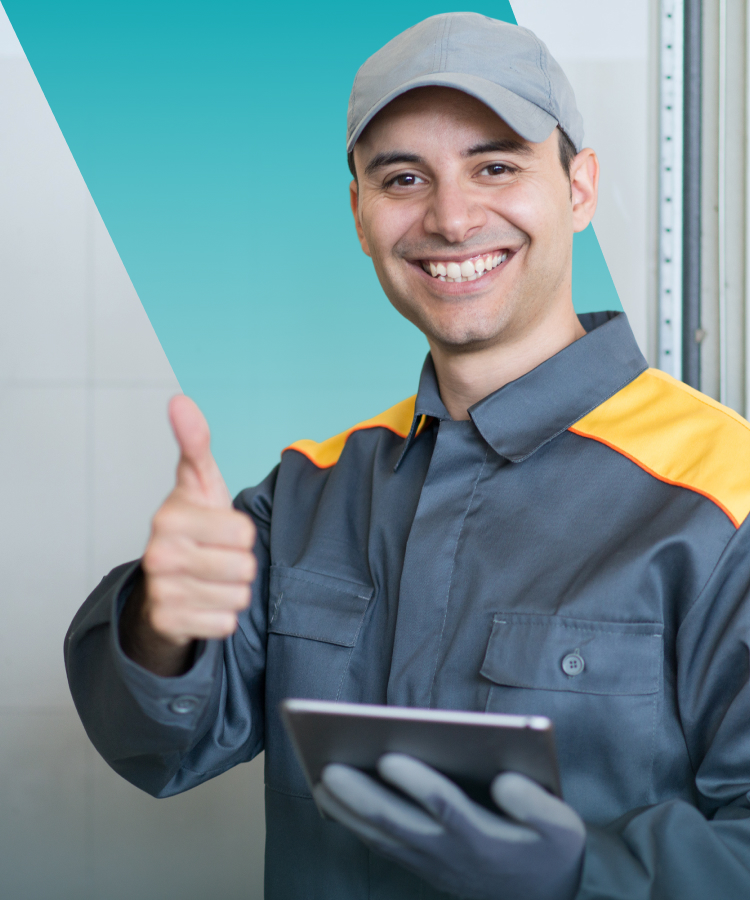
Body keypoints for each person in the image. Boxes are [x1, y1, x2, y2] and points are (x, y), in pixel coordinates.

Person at [65, 12, 750, 899]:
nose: (452, 217)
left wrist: (588, 871)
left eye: (496, 165)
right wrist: (160, 620)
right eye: (403, 177)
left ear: (578, 189)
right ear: (359, 214)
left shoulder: (725, 501)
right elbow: (159, 743)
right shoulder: (309, 492)